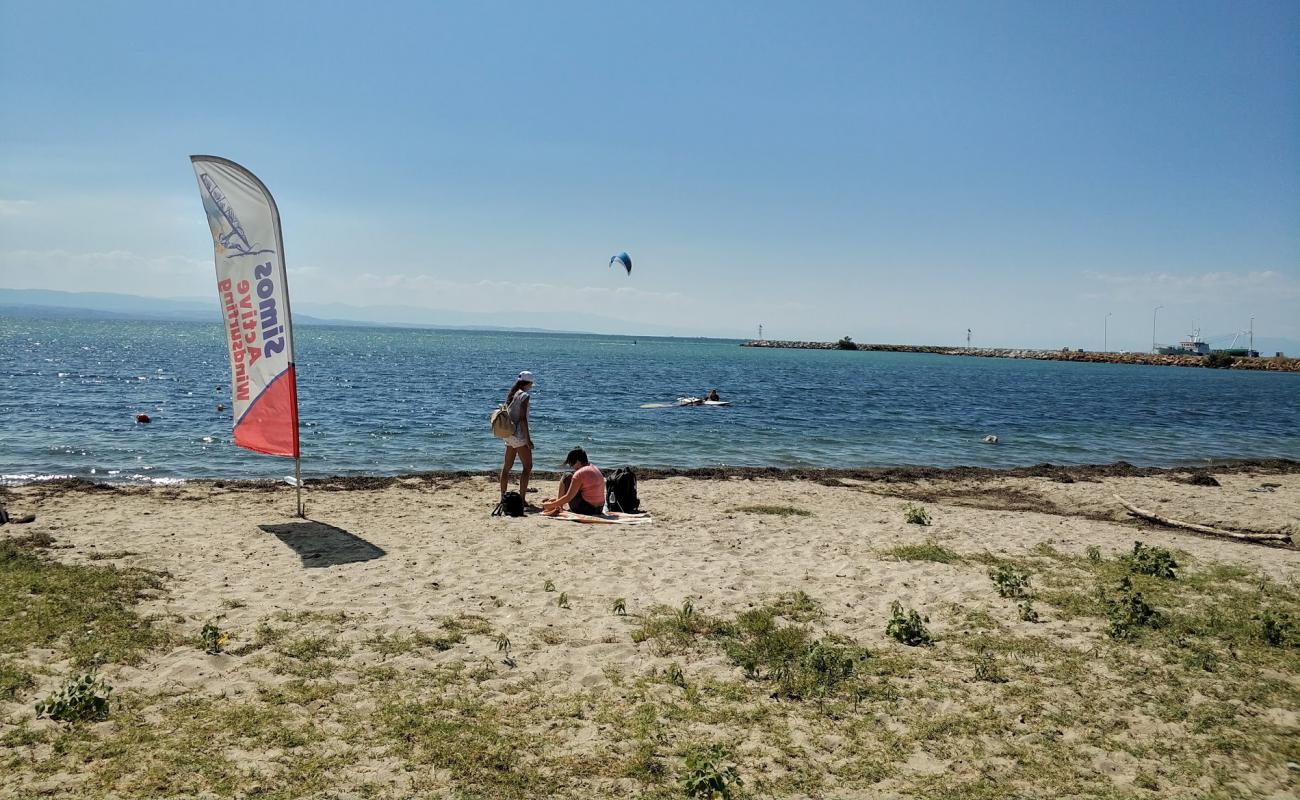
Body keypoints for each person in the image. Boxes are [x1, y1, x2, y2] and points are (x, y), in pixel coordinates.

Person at [498, 370, 534, 503]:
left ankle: (503, 497)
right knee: (527, 466)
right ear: (529, 382)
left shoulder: (512, 394)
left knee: (507, 467)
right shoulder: (524, 396)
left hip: (509, 434)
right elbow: (523, 419)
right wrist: (528, 439)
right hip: (519, 435)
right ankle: (523, 499)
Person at [543, 447, 605, 516]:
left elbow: (568, 497)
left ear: (578, 461)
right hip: (599, 509)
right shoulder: (594, 468)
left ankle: (558, 507)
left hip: (587, 509)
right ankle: (558, 502)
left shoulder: (580, 473)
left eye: (572, 464)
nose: (572, 467)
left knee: (566, 475)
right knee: (570, 477)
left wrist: (549, 505)